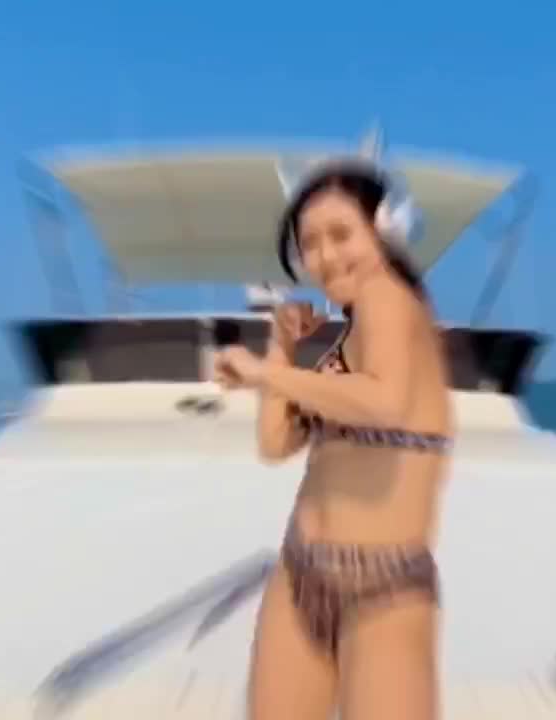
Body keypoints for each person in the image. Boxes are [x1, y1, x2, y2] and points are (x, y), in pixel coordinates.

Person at [213, 159, 453, 720]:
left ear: (383, 230)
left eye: (341, 234)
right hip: (300, 572)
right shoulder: (343, 341)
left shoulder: (390, 299)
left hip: (385, 591)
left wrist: (262, 374)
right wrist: (281, 347)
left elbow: (385, 401)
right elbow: (275, 445)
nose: (325, 256)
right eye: (310, 244)